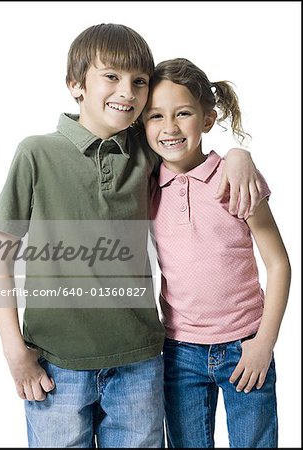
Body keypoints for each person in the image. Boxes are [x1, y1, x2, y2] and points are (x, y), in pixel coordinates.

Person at [0, 24, 263, 449]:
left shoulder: (144, 148)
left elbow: (187, 145)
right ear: (76, 84)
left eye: (139, 81)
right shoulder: (35, 153)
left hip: (140, 361)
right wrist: (13, 350)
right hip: (56, 364)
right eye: (111, 77)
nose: (128, 91)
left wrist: (239, 155)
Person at [143, 58, 291, 448]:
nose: (170, 127)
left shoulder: (234, 178)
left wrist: (265, 343)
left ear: (207, 119)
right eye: (155, 116)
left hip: (245, 347)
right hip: (178, 353)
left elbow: (278, 263)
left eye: (184, 113)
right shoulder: (145, 187)